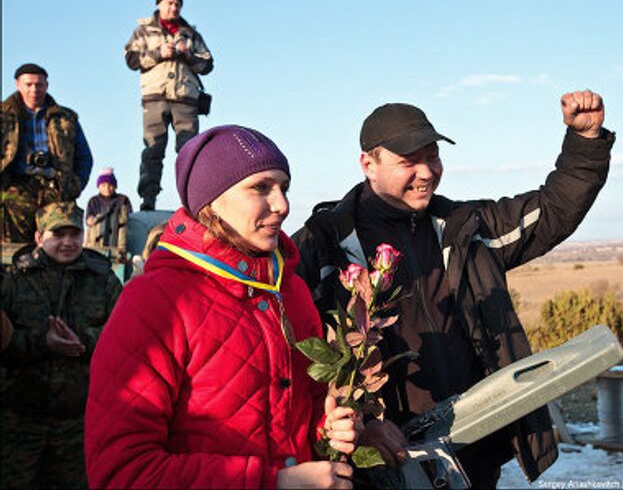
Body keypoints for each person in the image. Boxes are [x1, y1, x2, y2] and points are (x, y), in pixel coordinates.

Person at [292, 91, 616, 487]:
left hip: (472, 445)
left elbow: (551, 210)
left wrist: (585, 143)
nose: (426, 172)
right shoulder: (323, 245)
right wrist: (358, 423)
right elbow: (286, 356)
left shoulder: (465, 227)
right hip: (381, 462)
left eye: (433, 157)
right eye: (408, 161)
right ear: (368, 164)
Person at [85, 125, 361, 489]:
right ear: (210, 202)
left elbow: (304, 411)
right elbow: (121, 471)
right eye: (260, 187)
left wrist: (330, 430)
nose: (282, 205)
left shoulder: (289, 289)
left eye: (284, 187)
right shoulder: (153, 302)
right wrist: (272, 483)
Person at [0, 201, 122, 489]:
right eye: (58, 234)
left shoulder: (102, 280)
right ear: (39, 237)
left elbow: (123, 335)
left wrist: (83, 340)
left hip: (78, 423)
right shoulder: (14, 280)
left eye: (75, 234)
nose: (68, 242)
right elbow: (3, 343)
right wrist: (42, 342)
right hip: (19, 421)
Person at [124, 0, 214, 211]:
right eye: (169, 3)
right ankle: (148, 200)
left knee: (190, 151)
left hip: (185, 99)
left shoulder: (191, 34)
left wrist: (188, 54)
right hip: (155, 97)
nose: (173, 7)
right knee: (153, 150)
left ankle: (192, 201)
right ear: (159, 4)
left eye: (177, 4)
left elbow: (208, 64)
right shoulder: (143, 30)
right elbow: (131, 59)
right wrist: (158, 53)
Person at [1, 63, 94, 244]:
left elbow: (84, 158)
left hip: (55, 190)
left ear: (47, 86)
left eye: (39, 85)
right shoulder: (3, 116)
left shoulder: (65, 117)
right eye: (28, 85)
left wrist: (73, 186)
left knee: (57, 248)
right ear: (18, 85)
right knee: (12, 252)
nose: (34, 89)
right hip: (13, 191)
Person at [84, 167, 133, 255]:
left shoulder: (122, 199)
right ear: (98, 186)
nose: (107, 188)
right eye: (103, 185)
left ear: (115, 186)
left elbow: (129, 216)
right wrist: (91, 219)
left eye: (110, 185)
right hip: (96, 241)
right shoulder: (93, 201)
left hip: (117, 240)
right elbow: (88, 218)